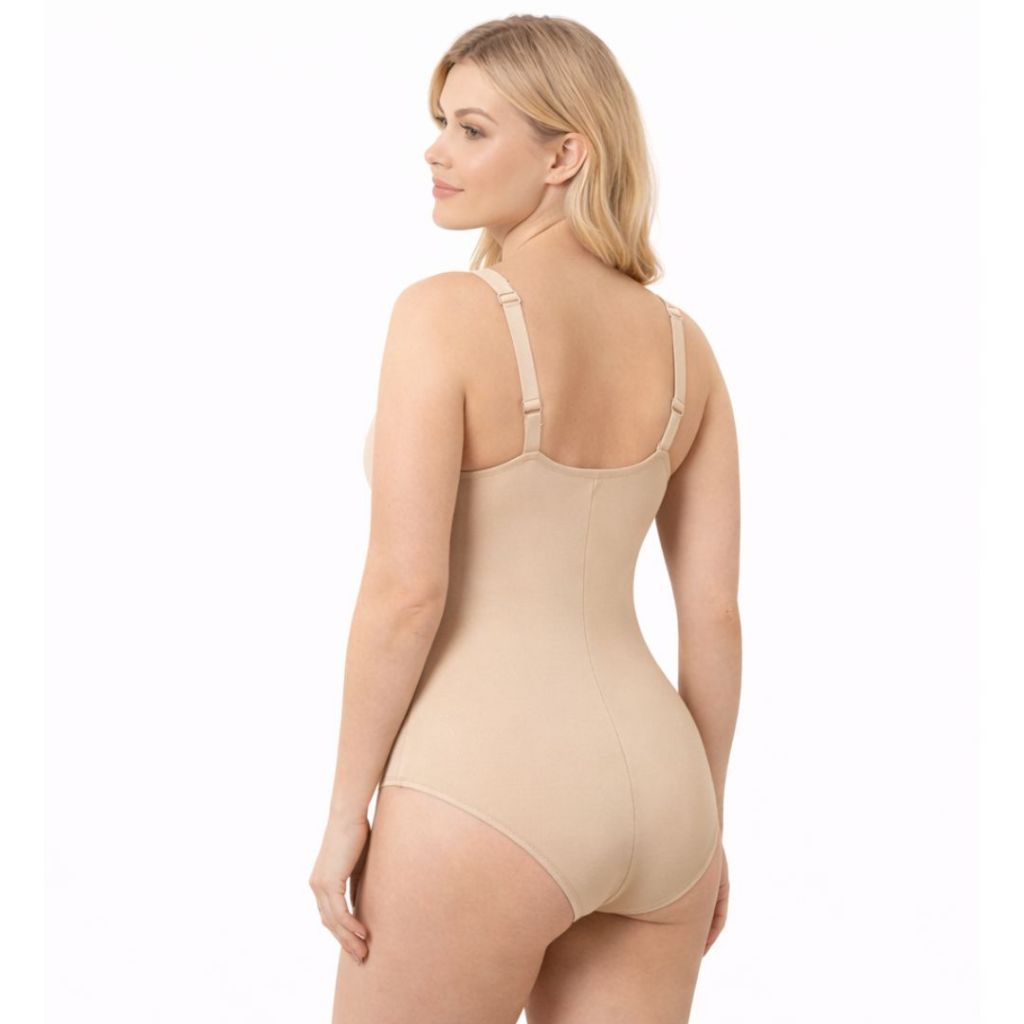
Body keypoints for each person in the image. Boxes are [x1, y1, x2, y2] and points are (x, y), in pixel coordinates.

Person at [309, 14, 741, 1023]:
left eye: (470, 129)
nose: (435, 151)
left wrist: (344, 814)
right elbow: (714, 615)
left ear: (564, 155)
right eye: (440, 124)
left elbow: (406, 592)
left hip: (483, 782)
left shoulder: (445, 314)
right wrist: (705, 822)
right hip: (666, 793)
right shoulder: (688, 348)